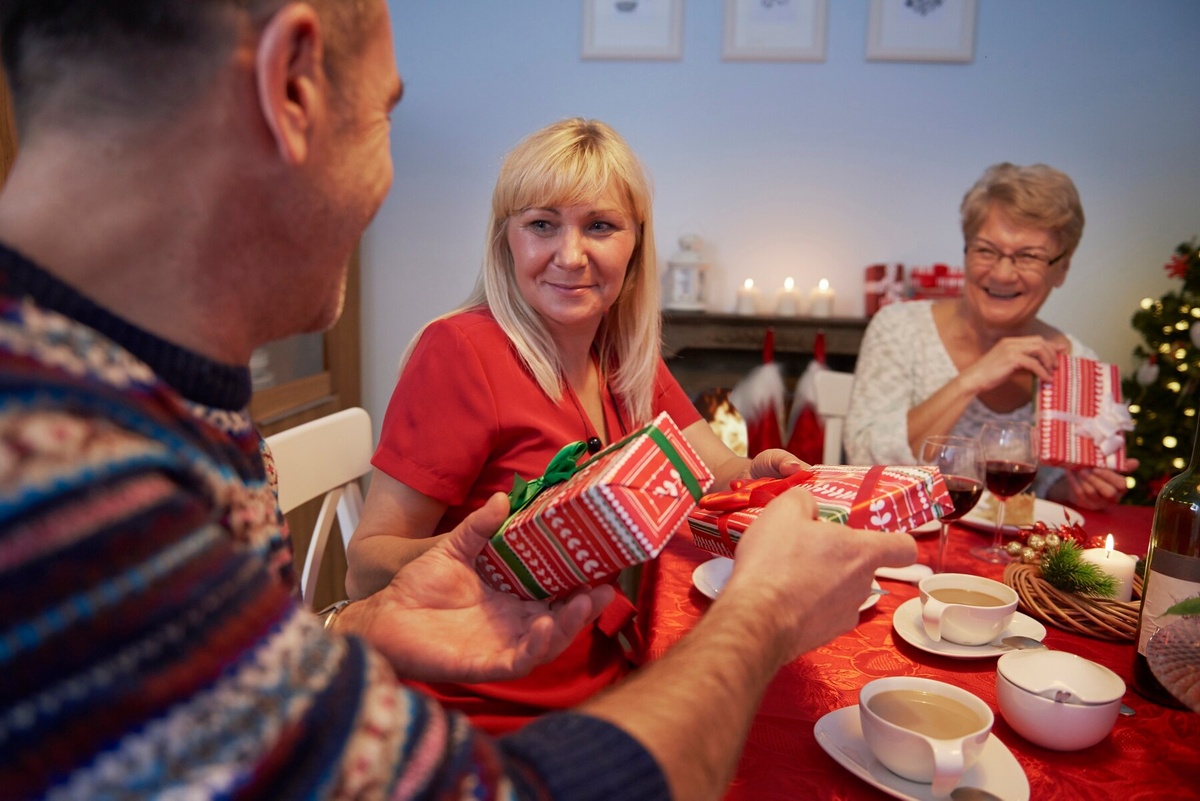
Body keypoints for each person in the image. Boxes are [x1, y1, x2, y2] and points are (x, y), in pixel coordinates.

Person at [0, 1, 917, 799]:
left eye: (601, 226)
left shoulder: (163, 409)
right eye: (386, 115)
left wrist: (352, 630)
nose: (389, 180)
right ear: (292, 85)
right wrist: (763, 615)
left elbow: (244, 715)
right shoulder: (77, 489)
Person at [345, 117, 806, 733]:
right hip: (485, 709)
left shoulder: (620, 353)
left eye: (600, 226)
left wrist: (759, 471)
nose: (571, 255)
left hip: (606, 681)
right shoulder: (459, 352)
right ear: (505, 239)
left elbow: (717, 470)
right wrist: (501, 556)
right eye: (542, 224)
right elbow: (364, 566)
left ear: (635, 244)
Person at [845, 162, 1134, 510]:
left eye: (1029, 256)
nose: (1002, 273)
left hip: (1010, 556)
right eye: (986, 250)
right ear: (966, 252)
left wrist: (1079, 491)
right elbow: (863, 461)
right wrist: (974, 378)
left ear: (1062, 269)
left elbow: (1044, 489)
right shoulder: (900, 328)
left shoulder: (1077, 365)